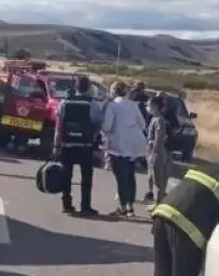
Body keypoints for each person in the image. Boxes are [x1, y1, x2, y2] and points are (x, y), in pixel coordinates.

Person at [54, 76, 101, 216]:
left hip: (67, 144)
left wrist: (56, 145)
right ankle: (85, 206)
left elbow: (59, 126)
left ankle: (66, 204)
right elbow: (98, 124)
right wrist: (93, 138)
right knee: (86, 177)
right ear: (89, 88)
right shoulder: (92, 104)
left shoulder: (65, 103)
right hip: (85, 145)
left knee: (66, 175)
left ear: (76, 86)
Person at [102, 81, 147, 217]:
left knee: (121, 177)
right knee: (130, 176)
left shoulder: (113, 106)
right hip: (133, 146)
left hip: (118, 146)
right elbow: (143, 124)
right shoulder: (133, 105)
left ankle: (122, 207)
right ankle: (130, 206)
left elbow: (107, 126)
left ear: (113, 91)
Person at [143, 95, 170, 205]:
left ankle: (159, 203)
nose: (147, 107)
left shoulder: (159, 120)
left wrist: (154, 153)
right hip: (152, 152)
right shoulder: (154, 119)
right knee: (152, 176)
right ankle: (155, 200)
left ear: (155, 106)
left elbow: (159, 137)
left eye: (149, 105)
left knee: (158, 181)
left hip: (157, 154)